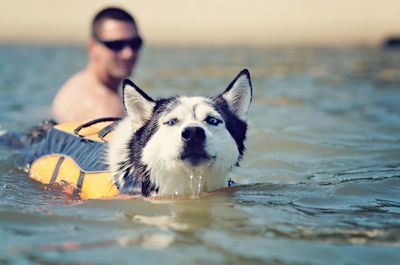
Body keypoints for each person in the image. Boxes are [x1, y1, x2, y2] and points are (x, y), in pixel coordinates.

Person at [51, 7, 143, 123]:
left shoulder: (77, 83)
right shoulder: (106, 107)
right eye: (116, 45)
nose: (128, 54)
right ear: (92, 47)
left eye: (135, 43)